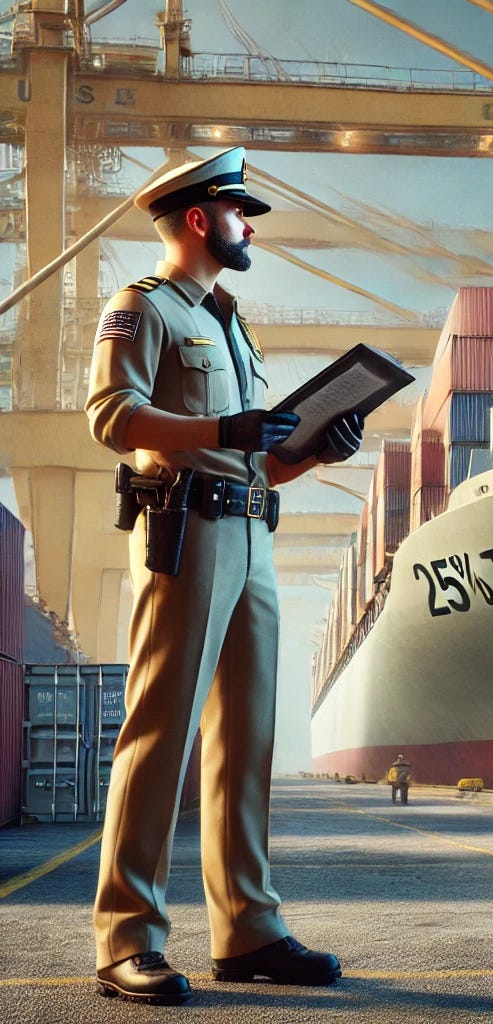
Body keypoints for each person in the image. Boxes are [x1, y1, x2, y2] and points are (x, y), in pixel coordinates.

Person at [85, 147, 364, 1006]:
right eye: (242, 215)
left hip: (250, 537)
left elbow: (250, 459)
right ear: (201, 218)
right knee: (160, 734)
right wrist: (229, 425)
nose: (250, 229)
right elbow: (110, 415)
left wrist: (314, 453)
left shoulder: (232, 324)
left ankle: (248, 929)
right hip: (186, 534)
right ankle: (127, 938)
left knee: (246, 745)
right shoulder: (146, 309)